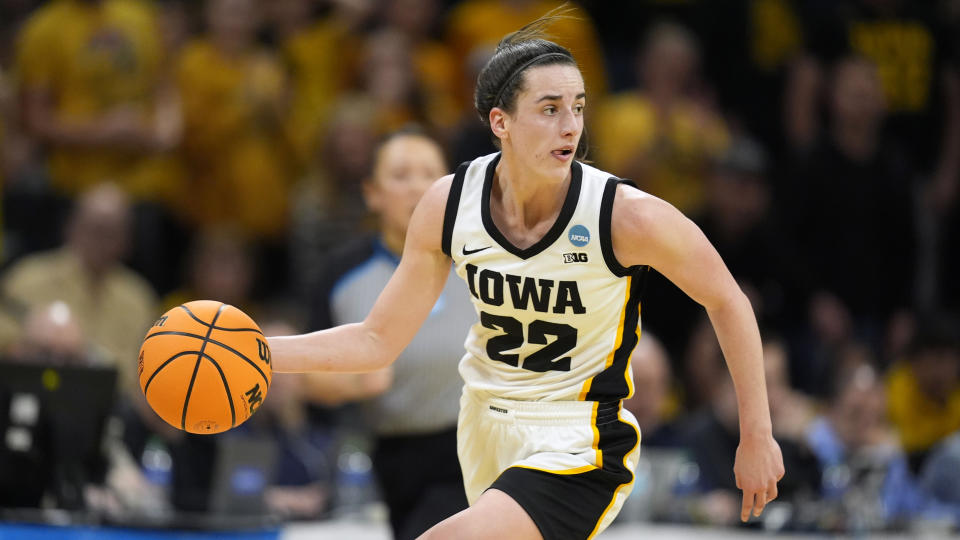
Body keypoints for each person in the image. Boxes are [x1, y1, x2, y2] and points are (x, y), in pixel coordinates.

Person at [269, 14, 784, 539]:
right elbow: (376, 340)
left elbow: (728, 301)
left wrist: (756, 434)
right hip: (483, 427)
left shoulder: (625, 215)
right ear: (501, 123)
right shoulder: (449, 204)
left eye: (578, 107)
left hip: (577, 441)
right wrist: (261, 352)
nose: (571, 126)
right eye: (550, 109)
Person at [303, 128, 474, 539]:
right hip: (394, 455)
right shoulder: (341, 274)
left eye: (430, 175)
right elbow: (309, 376)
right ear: (372, 193)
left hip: (482, 448)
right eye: (400, 175)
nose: (417, 186)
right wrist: (352, 381)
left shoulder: (487, 260)